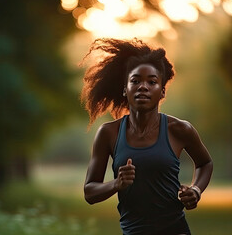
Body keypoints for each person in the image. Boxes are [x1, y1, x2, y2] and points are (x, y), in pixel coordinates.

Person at [81, 38, 213, 235]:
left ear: (162, 91)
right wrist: (116, 183)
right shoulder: (109, 133)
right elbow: (90, 192)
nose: (143, 86)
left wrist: (196, 190)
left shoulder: (179, 129)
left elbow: (205, 163)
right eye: (135, 81)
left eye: (152, 82)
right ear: (125, 89)